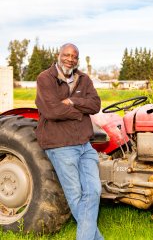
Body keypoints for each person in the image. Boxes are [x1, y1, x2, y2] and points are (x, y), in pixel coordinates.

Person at [35, 43, 103, 240]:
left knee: (93, 191)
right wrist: (80, 114)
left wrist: (73, 102)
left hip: (84, 144)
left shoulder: (83, 79)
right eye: (66, 55)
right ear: (59, 55)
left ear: (77, 59)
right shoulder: (45, 78)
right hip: (60, 146)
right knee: (76, 196)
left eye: (74, 56)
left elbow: (96, 105)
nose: (70, 59)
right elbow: (52, 111)